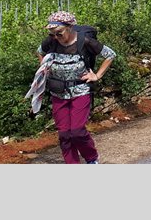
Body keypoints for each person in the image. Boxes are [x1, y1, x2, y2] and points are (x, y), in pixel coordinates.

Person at [36, 11, 115, 164]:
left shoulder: (84, 42)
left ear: (70, 27)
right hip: (58, 92)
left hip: (80, 91)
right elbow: (40, 52)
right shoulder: (51, 41)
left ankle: (91, 158)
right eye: (52, 34)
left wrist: (97, 75)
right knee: (64, 134)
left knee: (77, 131)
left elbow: (110, 55)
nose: (55, 37)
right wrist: (45, 67)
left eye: (59, 33)